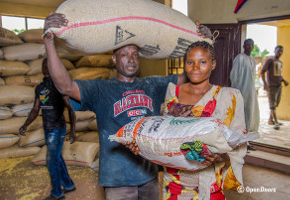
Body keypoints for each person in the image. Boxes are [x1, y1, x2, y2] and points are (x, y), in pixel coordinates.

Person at [43, 13, 212, 200]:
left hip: (149, 175)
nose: (131, 59)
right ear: (114, 59)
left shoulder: (153, 85)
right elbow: (64, 86)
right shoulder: (100, 89)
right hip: (117, 180)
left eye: (134, 55)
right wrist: (49, 42)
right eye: (124, 55)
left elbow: (191, 76)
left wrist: (205, 44)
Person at [128, 41, 247, 199]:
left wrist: (223, 157)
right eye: (190, 62)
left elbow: (239, 140)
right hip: (174, 184)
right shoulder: (173, 92)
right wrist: (142, 146)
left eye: (202, 62)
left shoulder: (229, 97)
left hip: (209, 185)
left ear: (213, 64)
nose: (195, 67)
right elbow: (163, 134)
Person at [19, 58, 76, 200]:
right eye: (43, 65)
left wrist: (73, 130)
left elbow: (70, 108)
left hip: (57, 128)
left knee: (51, 160)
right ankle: (68, 185)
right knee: (57, 157)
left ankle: (57, 193)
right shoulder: (40, 88)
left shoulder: (59, 87)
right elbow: (35, 109)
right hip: (47, 128)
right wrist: (26, 124)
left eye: (48, 65)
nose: (45, 68)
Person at [230, 38, 260, 150]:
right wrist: (236, 92)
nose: (249, 47)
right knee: (241, 118)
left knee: (249, 117)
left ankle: (246, 142)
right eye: (247, 45)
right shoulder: (240, 58)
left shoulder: (252, 60)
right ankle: (241, 143)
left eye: (251, 45)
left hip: (251, 93)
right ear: (244, 46)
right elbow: (234, 76)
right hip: (241, 92)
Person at [261, 45, 289, 130]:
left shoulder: (280, 62)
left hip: (278, 85)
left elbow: (279, 75)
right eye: (278, 51)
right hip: (272, 86)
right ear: (275, 51)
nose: (280, 53)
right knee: (272, 104)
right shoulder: (270, 60)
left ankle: (271, 119)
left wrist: (283, 80)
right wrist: (265, 84)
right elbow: (263, 71)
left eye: (281, 51)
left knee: (276, 103)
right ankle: (276, 122)